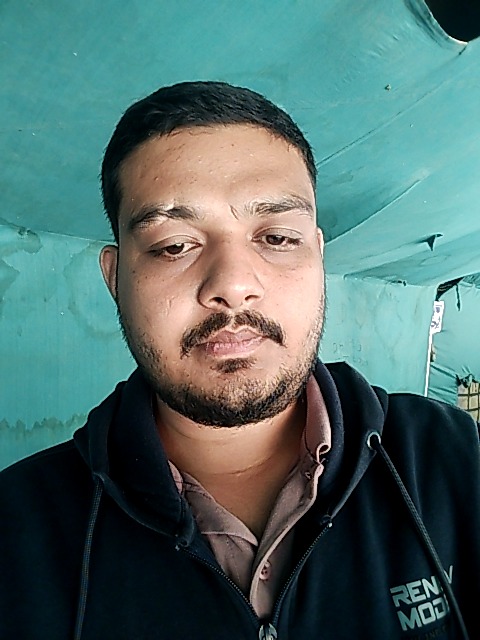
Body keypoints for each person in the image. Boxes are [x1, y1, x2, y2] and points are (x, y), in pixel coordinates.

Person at [0, 81, 479, 640]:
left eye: (276, 237)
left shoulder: (450, 461)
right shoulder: (18, 532)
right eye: (174, 245)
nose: (232, 285)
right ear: (115, 278)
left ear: (318, 257)